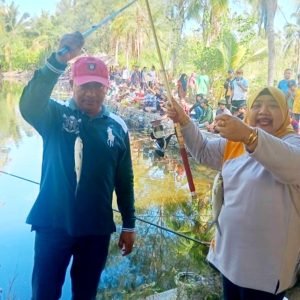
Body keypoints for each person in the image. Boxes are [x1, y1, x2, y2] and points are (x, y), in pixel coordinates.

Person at [19, 32, 136, 300]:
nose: (91, 93)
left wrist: (129, 224)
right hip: (52, 226)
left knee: (86, 295)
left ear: (107, 87)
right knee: (44, 294)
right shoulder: (54, 116)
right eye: (84, 85)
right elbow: (29, 105)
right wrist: (58, 59)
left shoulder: (117, 127)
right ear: (72, 83)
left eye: (98, 86)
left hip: (95, 230)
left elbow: (124, 179)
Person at [167, 86, 300, 300]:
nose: (263, 111)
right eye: (256, 105)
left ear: (285, 112)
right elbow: (202, 151)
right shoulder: (235, 143)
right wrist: (184, 120)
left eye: (273, 105)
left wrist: (250, 136)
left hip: (265, 272)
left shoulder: (292, 144)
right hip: (230, 259)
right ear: (248, 110)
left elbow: (293, 164)